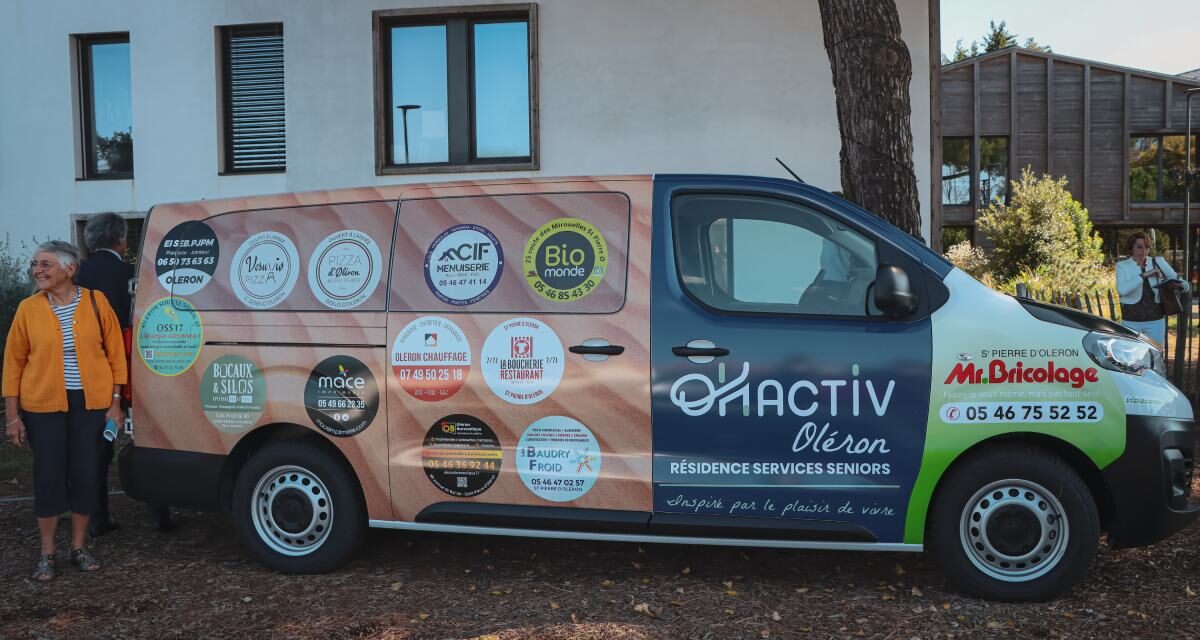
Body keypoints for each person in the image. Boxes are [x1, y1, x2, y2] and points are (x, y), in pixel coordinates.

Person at [4, 240, 127, 580]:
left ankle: (78, 547)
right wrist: (12, 416)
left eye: (45, 264)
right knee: (49, 476)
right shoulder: (28, 309)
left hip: (91, 405)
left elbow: (116, 356)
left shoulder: (96, 302)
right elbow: (13, 365)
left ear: (69, 268)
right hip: (43, 407)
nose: (37, 270)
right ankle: (47, 552)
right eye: (35, 264)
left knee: (86, 473)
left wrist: (116, 403)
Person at [1116, 231, 1188, 345]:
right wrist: (1144, 275)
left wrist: (1179, 285)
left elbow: (1182, 283)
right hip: (1130, 321)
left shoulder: (1158, 262)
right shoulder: (1122, 266)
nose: (1144, 251)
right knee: (1130, 354)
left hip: (1155, 321)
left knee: (1155, 353)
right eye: (1139, 247)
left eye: (1147, 247)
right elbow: (1122, 290)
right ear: (1131, 247)